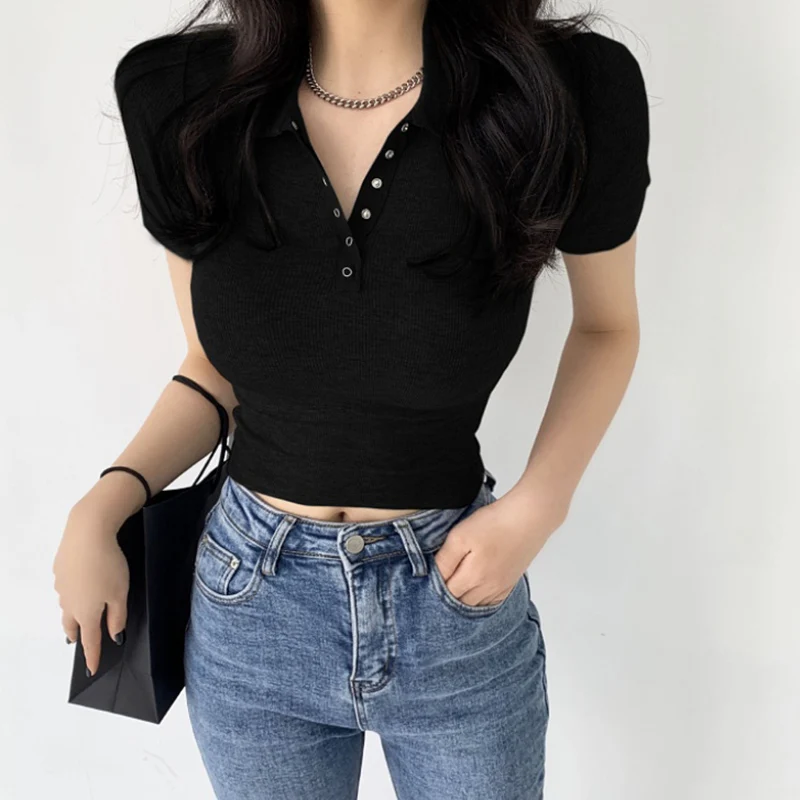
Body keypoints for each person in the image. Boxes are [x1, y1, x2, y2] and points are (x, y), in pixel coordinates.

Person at [53, 0, 651, 797]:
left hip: (455, 593)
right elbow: (213, 369)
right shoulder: (183, 94)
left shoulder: (564, 90)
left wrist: (539, 505)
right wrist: (104, 504)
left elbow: (607, 326)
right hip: (249, 607)